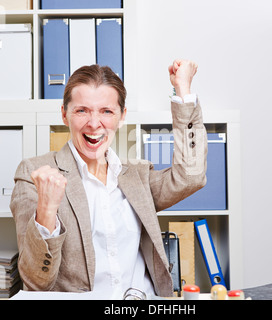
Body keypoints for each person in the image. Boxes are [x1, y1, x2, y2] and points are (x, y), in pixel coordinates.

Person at [10, 59, 207, 299]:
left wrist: (182, 90)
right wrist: (47, 211)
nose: (94, 124)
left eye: (106, 111)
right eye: (82, 110)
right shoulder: (34, 174)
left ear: (122, 116)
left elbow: (191, 176)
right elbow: (35, 281)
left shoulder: (137, 176)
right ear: (64, 114)